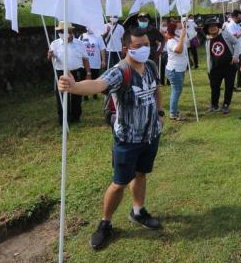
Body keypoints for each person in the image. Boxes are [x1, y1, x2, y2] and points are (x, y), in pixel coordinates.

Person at [58, 27, 164, 250]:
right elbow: (99, 84)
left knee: (141, 174)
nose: (145, 49)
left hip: (150, 135)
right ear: (126, 48)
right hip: (127, 139)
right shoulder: (120, 71)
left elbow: (156, 90)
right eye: (138, 46)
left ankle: (138, 211)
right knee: (119, 183)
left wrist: (160, 115)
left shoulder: (152, 66)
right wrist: (74, 86)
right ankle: (105, 223)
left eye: (147, 44)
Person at [47, 21, 90, 125]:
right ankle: (63, 119)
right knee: (61, 96)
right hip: (61, 73)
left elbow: (85, 59)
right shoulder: (55, 44)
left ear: (71, 32)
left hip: (76, 72)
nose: (62, 33)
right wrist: (50, 55)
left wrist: (88, 73)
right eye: (61, 31)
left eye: (65, 31)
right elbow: (50, 58)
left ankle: (76, 117)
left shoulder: (80, 44)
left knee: (76, 95)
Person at [204, 17, 240, 114]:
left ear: (217, 26)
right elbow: (209, 56)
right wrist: (209, 69)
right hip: (215, 68)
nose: (213, 28)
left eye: (214, 26)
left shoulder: (225, 34)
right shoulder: (207, 40)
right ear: (207, 29)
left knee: (229, 86)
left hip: (229, 66)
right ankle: (214, 105)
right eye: (210, 27)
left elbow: (237, 42)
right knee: (214, 87)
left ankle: (226, 105)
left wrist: (236, 55)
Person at [164, 20, 189, 120]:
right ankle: (173, 113)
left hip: (179, 69)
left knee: (177, 90)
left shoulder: (178, 38)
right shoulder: (171, 41)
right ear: (174, 30)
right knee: (176, 91)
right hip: (174, 70)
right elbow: (178, 50)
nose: (182, 29)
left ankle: (174, 110)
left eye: (182, 27)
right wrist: (182, 37)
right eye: (179, 28)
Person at [80, 26, 106, 101]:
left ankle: (95, 94)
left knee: (94, 79)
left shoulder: (98, 36)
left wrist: (103, 60)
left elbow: (102, 49)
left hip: (95, 62)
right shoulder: (82, 36)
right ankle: (85, 95)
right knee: (84, 79)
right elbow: (78, 47)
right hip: (84, 63)